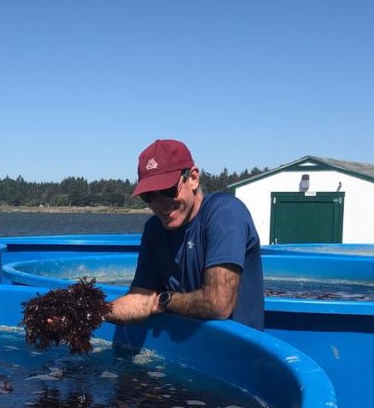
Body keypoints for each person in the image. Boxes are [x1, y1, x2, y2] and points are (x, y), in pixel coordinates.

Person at [107, 138, 264, 330]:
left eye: (167, 189)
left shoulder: (225, 213)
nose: (160, 204)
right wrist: (92, 312)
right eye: (149, 196)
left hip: (238, 354)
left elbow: (218, 304)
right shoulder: (154, 229)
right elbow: (141, 299)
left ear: (193, 178)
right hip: (188, 354)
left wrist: (165, 300)